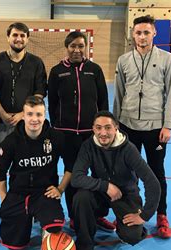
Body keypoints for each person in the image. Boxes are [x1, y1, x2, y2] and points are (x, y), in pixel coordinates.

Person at [113, 15, 171, 238]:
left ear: (154, 33)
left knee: (157, 173)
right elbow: (119, 94)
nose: (142, 37)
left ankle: (161, 215)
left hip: (155, 129)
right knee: (127, 174)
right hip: (128, 127)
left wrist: (167, 125)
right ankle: (128, 210)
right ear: (133, 34)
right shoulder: (123, 61)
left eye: (146, 32)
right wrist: (115, 125)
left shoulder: (167, 59)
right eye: (138, 32)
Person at [0, 22, 48, 225]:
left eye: (23, 35)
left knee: (29, 165)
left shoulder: (36, 62)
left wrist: (21, 115)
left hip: (26, 126)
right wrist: (2, 113)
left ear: (27, 38)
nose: (19, 39)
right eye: (15, 35)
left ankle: (30, 203)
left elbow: (40, 93)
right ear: (8, 37)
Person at [71, 111, 160, 250]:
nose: (103, 133)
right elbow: (76, 178)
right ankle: (84, 249)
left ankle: (122, 225)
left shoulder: (128, 149)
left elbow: (152, 183)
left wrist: (144, 215)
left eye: (108, 127)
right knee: (81, 197)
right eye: (98, 128)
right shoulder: (88, 146)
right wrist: (105, 186)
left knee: (132, 237)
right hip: (101, 193)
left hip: (125, 195)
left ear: (116, 128)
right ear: (93, 128)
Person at [47, 31, 114, 232]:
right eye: (73, 46)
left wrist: (103, 131)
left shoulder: (94, 70)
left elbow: (103, 101)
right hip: (66, 135)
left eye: (80, 46)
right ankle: (75, 217)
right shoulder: (57, 71)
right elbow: (52, 104)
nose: (77, 50)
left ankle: (98, 214)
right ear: (67, 48)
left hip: (90, 135)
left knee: (98, 174)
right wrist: (56, 127)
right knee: (73, 175)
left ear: (86, 48)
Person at [0, 96, 67, 250]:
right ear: (24, 116)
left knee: (54, 226)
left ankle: (44, 224)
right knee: (15, 244)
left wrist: (60, 188)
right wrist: (3, 197)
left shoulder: (56, 138)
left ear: (45, 115)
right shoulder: (11, 141)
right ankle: (25, 219)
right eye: (30, 114)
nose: (34, 119)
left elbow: (71, 164)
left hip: (44, 192)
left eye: (39, 115)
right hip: (18, 193)